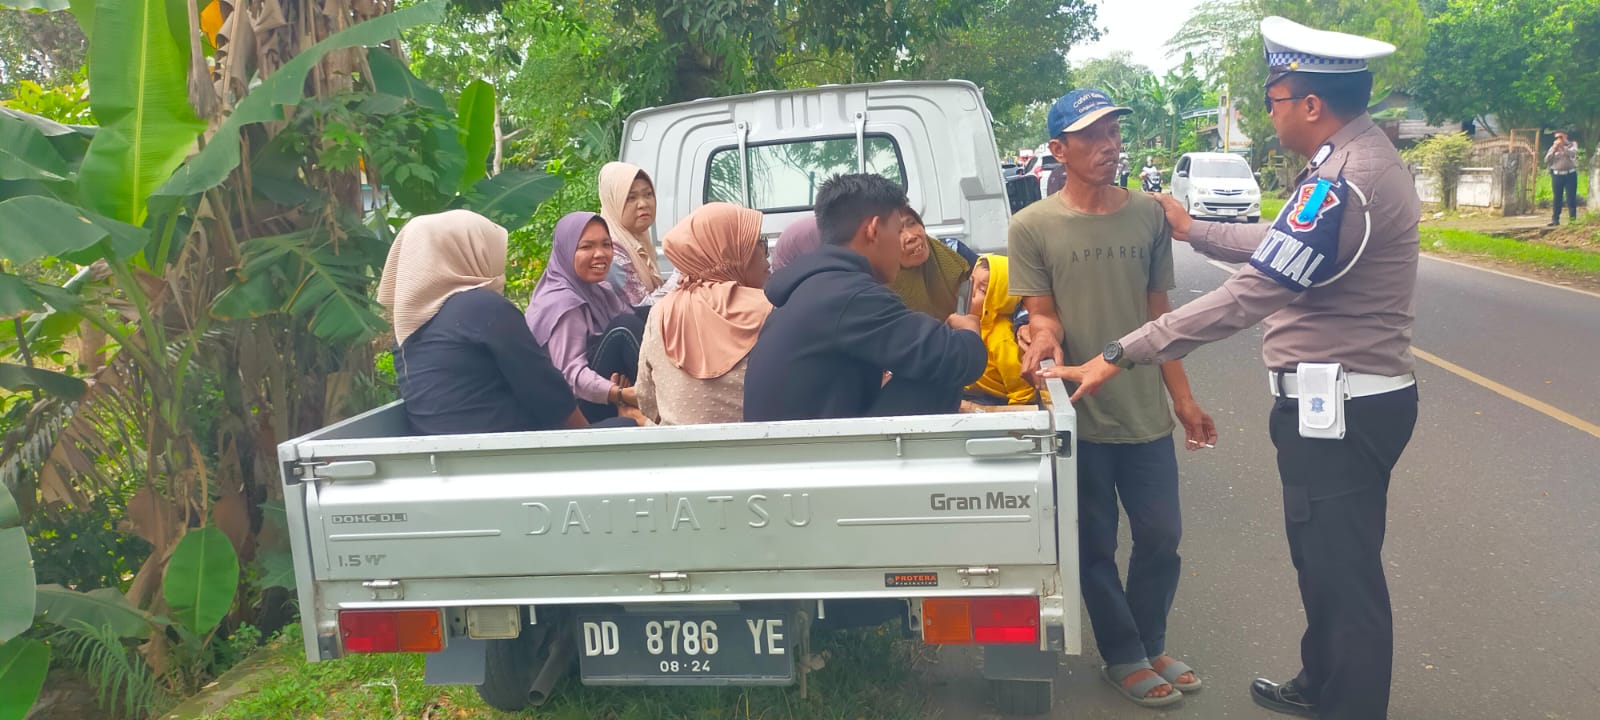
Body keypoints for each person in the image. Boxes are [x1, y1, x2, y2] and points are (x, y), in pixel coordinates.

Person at [1043, 18, 1419, 719]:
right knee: (1320, 561)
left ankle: (1350, 704)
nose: (1268, 111)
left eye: (1274, 97)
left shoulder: (1348, 179)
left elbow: (1254, 291)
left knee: (1345, 576)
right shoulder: (1350, 161)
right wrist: (1196, 230)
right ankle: (1321, 681)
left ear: (1311, 104)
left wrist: (1126, 349)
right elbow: (1283, 240)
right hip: (1340, 404)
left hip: (1343, 409)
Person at [1009, 87, 1216, 709]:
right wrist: (1041, 344)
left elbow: (1161, 316)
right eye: (1092, 136)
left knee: (1161, 534)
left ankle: (1149, 641)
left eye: (1114, 133)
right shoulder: (1032, 227)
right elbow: (1043, 317)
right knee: (1094, 543)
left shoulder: (1149, 216)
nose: (1109, 146)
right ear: (1058, 149)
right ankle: (1124, 655)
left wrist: (1183, 399)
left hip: (1145, 411)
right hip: (1081, 416)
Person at [744, 173, 986, 421]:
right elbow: (960, 358)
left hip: (793, 449)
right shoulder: (849, 295)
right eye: (898, 229)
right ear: (873, 230)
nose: (904, 240)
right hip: (819, 455)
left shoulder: (812, 287)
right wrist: (968, 332)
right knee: (943, 369)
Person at [377, 210, 596, 434]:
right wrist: (596, 441)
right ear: (466, 252)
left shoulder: (408, 325)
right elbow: (548, 395)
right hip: (505, 451)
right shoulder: (483, 307)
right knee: (626, 425)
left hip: (446, 454)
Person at [636, 203, 772, 425]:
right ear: (733, 252)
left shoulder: (659, 313)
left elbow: (647, 401)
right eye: (758, 244)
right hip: (754, 452)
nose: (767, 257)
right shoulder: (770, 310)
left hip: (677, 454)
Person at [525, 211, 648, 423]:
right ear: (565, 251)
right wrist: (619, 393)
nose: (600, 254)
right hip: (574, 411)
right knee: (623, 329)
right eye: (586, 247)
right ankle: (665, 400)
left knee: (645, 316)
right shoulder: (562, 302)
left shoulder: (599, 289)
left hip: (602, 391)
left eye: (606, 245)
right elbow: (569, 375)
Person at [963, 255, 1035, 406]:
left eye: (982, 290)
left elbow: (1024, 393)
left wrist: (1011, 423)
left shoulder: (1001, 340)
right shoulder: (966, 318)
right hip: (970, 390)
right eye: (971, 282)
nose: (971, 292)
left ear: (998, 300)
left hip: (994, 401)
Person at [598, 161, 665, 304]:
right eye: (631, 198)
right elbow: (640, 307)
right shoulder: (611, 252)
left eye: (648, 194)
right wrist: (682, 276)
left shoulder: (639, 239)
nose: (643, 204)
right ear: (613, 202)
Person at [887, 208, 972, 319]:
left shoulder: (953, 250)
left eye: (912, 223)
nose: (910, 236)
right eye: (897, 232)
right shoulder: (876, 287)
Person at [1546, 130, 1580, 226]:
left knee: (1571, 197)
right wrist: (1554, 149)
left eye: (1561, 137)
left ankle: (1573, 219)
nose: (1558, 139)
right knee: (1557, 198)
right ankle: (1555, 220)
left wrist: (1563, 147)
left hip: (1570, 174)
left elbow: (1573, 154)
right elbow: (1547, 159)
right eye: (1557, 138)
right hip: (1557, 175)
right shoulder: (1553, 147)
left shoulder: (1572, 145)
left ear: (1566, 136)